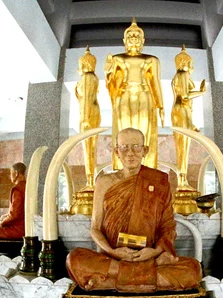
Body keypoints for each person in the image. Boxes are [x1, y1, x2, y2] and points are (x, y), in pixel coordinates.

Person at [66, 128, 202, 292]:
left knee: (193, 269)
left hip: (149, 256)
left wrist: (154, 252)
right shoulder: (104, 181)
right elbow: (95, 228)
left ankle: (111, 282)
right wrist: (114, 252)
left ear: (145, 150)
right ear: (116, 151)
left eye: (136, 146)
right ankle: (147, 279)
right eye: (124, 147)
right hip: (113, 258)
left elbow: (168, 226)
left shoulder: (159, 180)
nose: (130, 153)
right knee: (74, 259)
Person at [104, 18, 164, 170]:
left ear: (143, 40)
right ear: (124, 40)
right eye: (130, 35)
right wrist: (107, 72)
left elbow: (155, 82)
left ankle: (146, 166)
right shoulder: (118, 58)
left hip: (144, 95)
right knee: (123, 130)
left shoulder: (151, 59)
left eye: (137, 35)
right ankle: (122, 168)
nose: (133, 38)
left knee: (144, 130)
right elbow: (112, 85)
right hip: (123, 95)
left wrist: (161, 105)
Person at [171, 45, 207, 190]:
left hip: (182, 111)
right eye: (189, 63)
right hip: (181, 109)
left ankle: (183, 180)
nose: (191, 66)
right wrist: (201, 92)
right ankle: (182, 181)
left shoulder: (181, 76)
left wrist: (191, 124)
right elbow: (185, 96)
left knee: (184, 146)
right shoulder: (182, 75)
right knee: (183, 147)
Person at [75, 46, 101, 190]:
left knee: (88, 148)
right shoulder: (93, 78)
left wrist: (84, 121)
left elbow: (86, 102)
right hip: (92, 114)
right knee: (90, 148)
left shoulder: (87, 79)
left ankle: (90, 181)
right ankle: (90, 179)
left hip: (87, 116)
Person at [0, 162, 27, 240]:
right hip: (27, 227)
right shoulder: (27, 186)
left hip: (19, 230)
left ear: (16, 173)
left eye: (11, 173)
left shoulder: (17, 189)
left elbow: (14, 215)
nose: (10, 176)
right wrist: (5, 217)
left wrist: (2, 223)